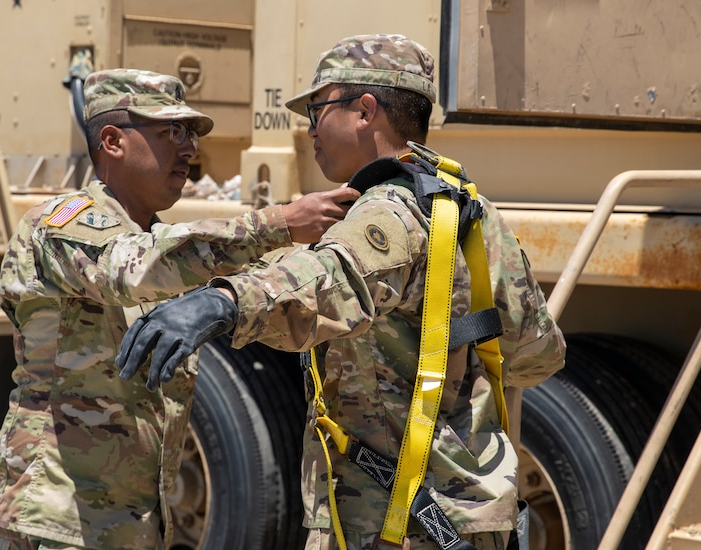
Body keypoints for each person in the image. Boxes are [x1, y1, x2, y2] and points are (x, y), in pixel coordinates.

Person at [116, 34, 567, 550]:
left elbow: (328, 282)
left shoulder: (382, 211)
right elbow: (538, 355)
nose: (309, 130)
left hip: (390, 523)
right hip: (471, 516)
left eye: (315, 110)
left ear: (365, 111)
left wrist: (221, 303)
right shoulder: (472, 209)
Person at [0, 68, 359, 550]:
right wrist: (278, 222)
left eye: (191, 134)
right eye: (171, 132)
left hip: (133, 525)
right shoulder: (61, 226)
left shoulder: (169, 252)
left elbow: (243, 283)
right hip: (56, 521)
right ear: (113, 140)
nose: (189, 149)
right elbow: (131, 269)